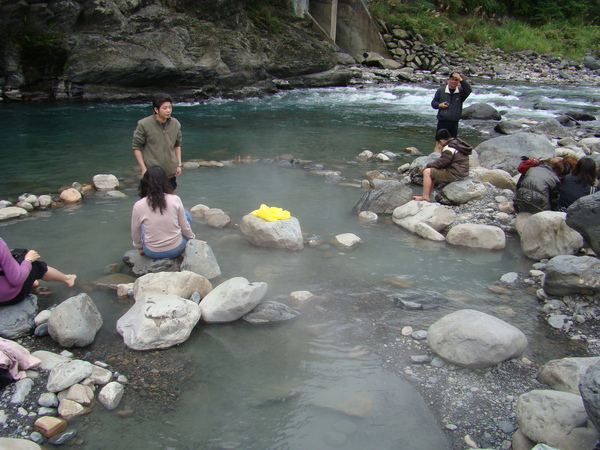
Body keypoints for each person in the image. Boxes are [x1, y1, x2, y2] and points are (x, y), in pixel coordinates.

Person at [131, 166, 198, 259]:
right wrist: (192, 239)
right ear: (165, 182)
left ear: (145, 183)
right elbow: (184, 226)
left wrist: (139, 247)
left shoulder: (138, 205)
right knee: (186, 214)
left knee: (142, 226)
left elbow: (135, 231)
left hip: (152, 252)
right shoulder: (175, 199)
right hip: (177, 248)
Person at [0, 239, 76, 306]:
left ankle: (31, 281)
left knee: (16, 256)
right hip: (11, 297)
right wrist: (28, 260)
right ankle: (67, 279)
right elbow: (17, 279)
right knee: (34, 265)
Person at [132, 93, 183, 191]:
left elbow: (177, 145)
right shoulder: (144, 124)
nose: (168, 110)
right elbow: (136, 147)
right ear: (156, 109)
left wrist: (179, 164)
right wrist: (143, 168)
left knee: (169, 201)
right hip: (152, 172)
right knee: (152, 201)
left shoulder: (175, 124)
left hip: (170, 171)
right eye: (164, 108)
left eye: (170, 107)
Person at [413, 129, 473, 202]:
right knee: (433, 172)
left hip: (455, 174)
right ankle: (427, 196)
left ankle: (425, 197)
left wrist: (428, 165)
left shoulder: (449, 148)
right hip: (461, 172)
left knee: (427, 172)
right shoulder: (456, 144)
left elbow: (442, 162)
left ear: (441, 141)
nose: (439, 145)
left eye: (438, 143)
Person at [431, 72, 472, 144]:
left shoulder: (461, 92)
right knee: (440, 142)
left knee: (452, 143)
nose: (454, 81)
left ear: (458, 81)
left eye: (456, 80)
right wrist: (439, 105)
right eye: (452, 79)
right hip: (443, 122)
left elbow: (469, 89)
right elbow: (433, 104)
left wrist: (461, 79)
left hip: (454, 123)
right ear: (449, 80)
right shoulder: (441, 90)